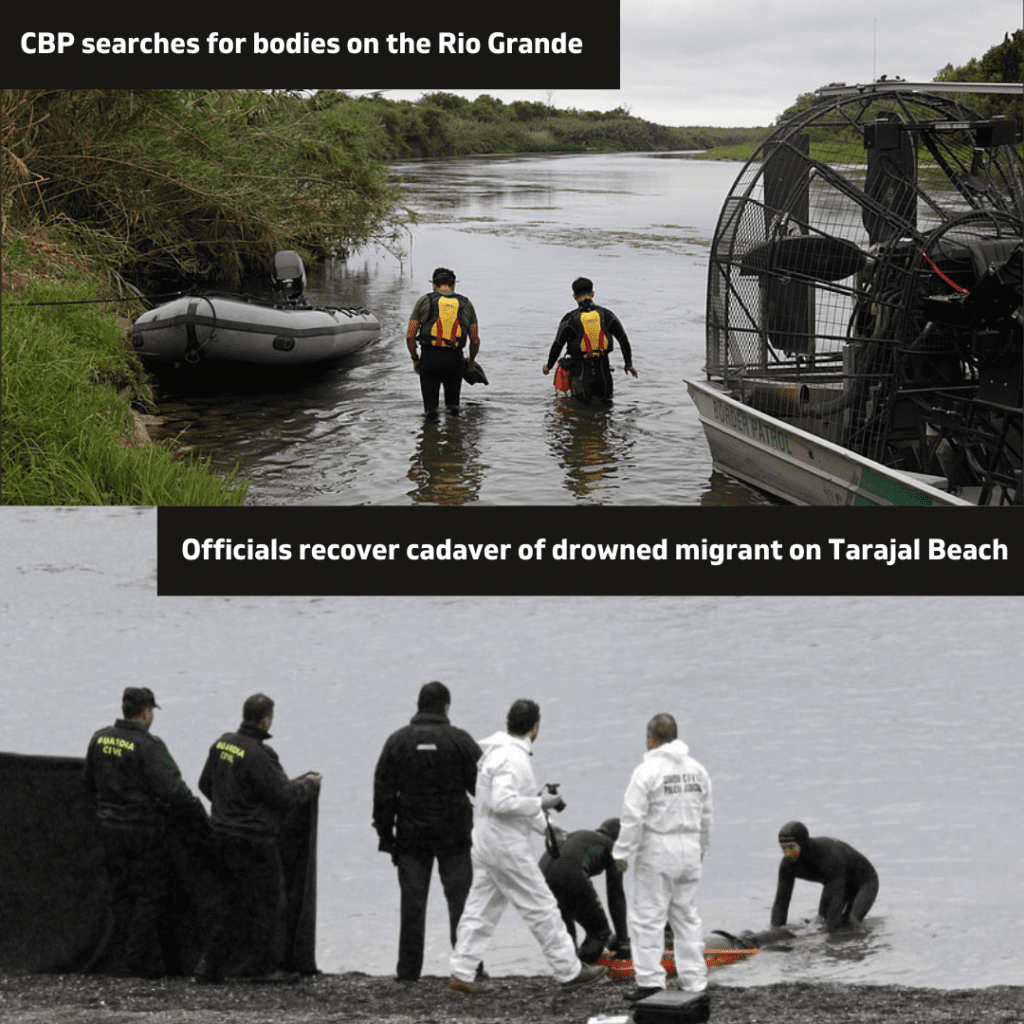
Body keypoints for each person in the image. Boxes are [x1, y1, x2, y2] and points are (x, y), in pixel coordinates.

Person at [448, 699, 606, 994]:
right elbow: (503, 802)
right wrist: (541, 802)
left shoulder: (497, 752)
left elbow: (503, 805)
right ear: (534, 727)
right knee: (542, 906)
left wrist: (545, 826)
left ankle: (461, 972)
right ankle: (569, 971)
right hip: (505, 846)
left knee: (480, 908)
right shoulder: (513, 759)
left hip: (485, 841)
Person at [195, 693, 321, 984]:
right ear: (266, 720)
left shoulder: (222, 744)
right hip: (254, 842)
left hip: (221, 836)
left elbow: (205, 784)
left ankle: (209, 967)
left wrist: (228, 808)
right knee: (269, 902)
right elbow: (284, 795)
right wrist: (309, 786)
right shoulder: (261, 755)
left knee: (232, 904)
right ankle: (263, 967)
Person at [82, 686, 208, 978]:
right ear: (146, 713)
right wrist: (200, 818)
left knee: (121, 894)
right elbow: (174, 790)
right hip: (142, 831)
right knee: (151, 895)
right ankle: (139, 960)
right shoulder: (149, 745)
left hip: (108, 828)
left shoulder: (99, 738)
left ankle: (121, 956)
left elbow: (87, 782)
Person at [373, 681, 483, 983]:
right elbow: (482, 790)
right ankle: (468, 969)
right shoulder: (459, 740)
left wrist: (386, 837)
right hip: (455, 836)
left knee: (412, 904)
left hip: (411, 837)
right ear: (446, 706)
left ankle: (408, 972)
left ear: (418, 705)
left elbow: (383, 794)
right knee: (461, 903)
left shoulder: (397, 742)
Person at [613, 713, 713, 1003]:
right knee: (687, 916)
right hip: (690, 846)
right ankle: (695, 980)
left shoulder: (647, 772)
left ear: (650, 738)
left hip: (658, 847)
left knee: (648, 917)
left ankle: (650, 981)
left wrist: (622, 852)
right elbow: (707, 814)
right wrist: (703, 846)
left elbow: (633, 816)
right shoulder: (697, 770)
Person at [540, 818, 630, 965]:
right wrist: (623, 941)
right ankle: (581, 969)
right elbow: (616, 894)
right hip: (570, 875)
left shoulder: (581, 834)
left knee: (566, 927)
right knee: (600, 934)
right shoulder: (616, 848)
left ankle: (570, 967)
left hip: (542, 876)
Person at [771, 821, 879, 932]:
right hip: (835, 880)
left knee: (851, 922)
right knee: (821, 921)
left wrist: (829, 935)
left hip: (865, 882)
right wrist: (776, 933)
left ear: (803, 844)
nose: (787, 853)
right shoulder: (787, 865)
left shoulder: (829, 858)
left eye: (790, 847)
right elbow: (781, 903)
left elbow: (834, 905)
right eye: (783, 848)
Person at [542, 277, 636, 401]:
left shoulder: (570, 319)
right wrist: (628, 364)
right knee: (606, 411)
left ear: (575, 297)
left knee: (579, 412)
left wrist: (548, 366)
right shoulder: (607, 315)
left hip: (579, 373)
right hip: (603, 373)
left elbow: (557, 345)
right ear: (592, 294)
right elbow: (623, 340)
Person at [407, 267, 481, 415]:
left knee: (430, 411)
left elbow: (410, 335)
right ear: (453, 285)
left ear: (434, 285)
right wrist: (471, 361)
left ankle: (429, 435)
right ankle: (453, 434)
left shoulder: (424, 301)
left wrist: (415, 359)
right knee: (453, 409)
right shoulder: (466, 304)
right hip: (454, 360)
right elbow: (475, 339)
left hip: (429, 359)